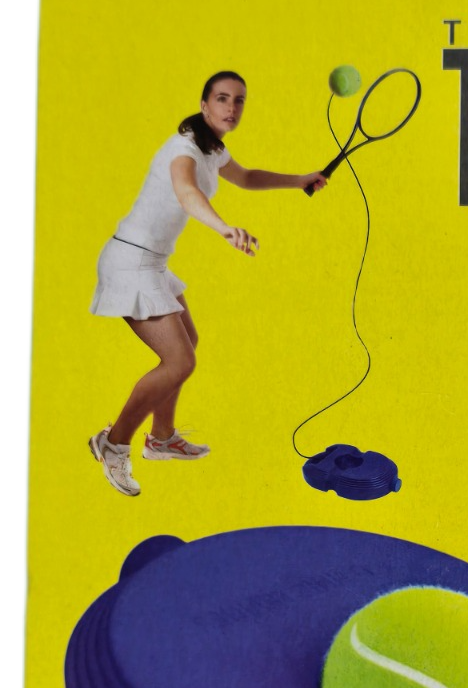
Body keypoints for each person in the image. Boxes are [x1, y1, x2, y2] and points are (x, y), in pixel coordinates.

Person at [88, 71, 328, 496]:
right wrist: (224, 228)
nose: (231, 108)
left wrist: (299, 180)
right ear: (204, 105)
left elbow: (247, 177)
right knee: (180, 362)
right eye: (222, 98)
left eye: (239, 100)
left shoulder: (211, 147)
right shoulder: (183, 150)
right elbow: (186, 192)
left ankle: (162, 438)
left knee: (188, 345)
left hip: (152, 262)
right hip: (130, 263)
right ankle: (114, 443)